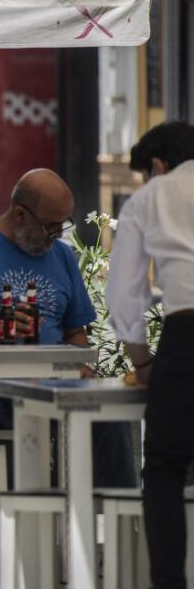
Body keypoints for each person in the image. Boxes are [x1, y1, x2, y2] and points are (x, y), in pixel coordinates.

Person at [0, 169, 136, 531]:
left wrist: (81, 363)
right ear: (20, 213)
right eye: (49, 225)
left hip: (50, 385)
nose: (56, 234)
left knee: (112, 415)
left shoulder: (63, 257)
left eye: (63, 225)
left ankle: (119, 524)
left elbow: (76, 331)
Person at [106, 122, 194, 589]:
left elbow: (124, 293)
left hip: (188, 332)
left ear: (157, 166)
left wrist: (142, 363)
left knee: (164, 466)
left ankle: (169, 583)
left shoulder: (152, 197)